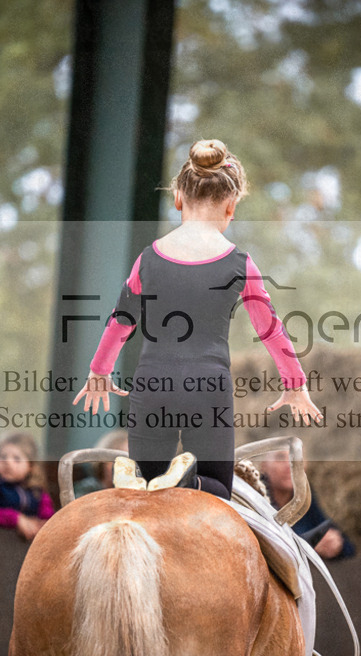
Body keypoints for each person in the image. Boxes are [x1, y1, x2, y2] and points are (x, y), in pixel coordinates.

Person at [73, 139, 322, 499]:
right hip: (207, 388)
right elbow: (270, 328)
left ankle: (136, 479)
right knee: (217, 489)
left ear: (178, 200)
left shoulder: (148, 258)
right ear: (230, 207)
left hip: (152, 385)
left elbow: (121, 319)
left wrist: (99, 372)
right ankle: (187, 481)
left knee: (146, 489)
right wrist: (294, 382)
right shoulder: (239, 262)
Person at [260, 448, 354, 560]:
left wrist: (336, 545)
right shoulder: (253, 499)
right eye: (280, 458)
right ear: (264, 466)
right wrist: (308, 547)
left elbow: (347, 546)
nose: (289, 465)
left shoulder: (304, 498)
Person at [0, 433, 55, 541]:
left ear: (30, 466)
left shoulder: (37, 492)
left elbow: (49, 518)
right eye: (2, 456)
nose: (7, 462)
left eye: (16, 459)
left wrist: (43, 526)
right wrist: (16, 519)